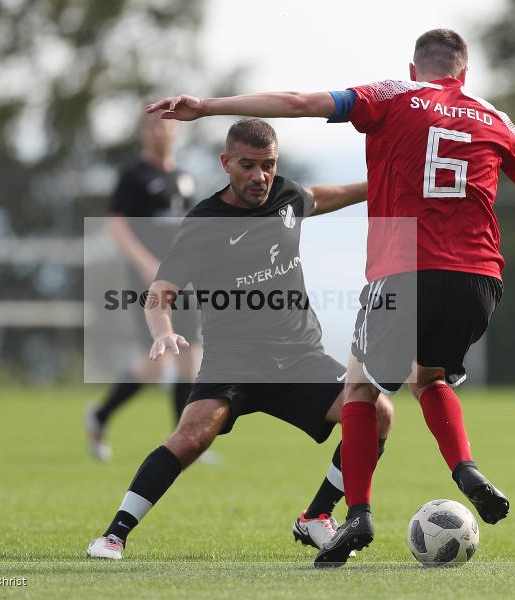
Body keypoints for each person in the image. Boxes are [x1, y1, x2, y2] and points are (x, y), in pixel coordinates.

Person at [146, 28, 515, 567]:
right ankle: (464, 466)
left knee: (361, 391)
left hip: (402, 271)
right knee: (432, 376)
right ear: (463, 75)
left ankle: (359, 512)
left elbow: (298, 103)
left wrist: (207, 106)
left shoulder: (392, 94)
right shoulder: (496, 118)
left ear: (415, 69)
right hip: (479, 278)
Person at [86, 119, 393, 560]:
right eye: (247, 166)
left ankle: (316, 515)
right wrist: (164, 332)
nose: (259, 176)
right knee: (192, 436)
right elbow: (160, 292)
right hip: (234, 359)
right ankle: (114, 534)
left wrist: (380, 183)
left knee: (376, 412)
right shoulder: (205, 222)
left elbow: (320, 196)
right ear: (225, 163)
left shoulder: (286, 195)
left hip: (299, 356)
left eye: (267, 165)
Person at [83, 111, 202, 462]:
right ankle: (100, 416)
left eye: (164, 122)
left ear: (175, 129)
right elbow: (117, 227)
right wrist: (145, 264)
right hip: (149, 281)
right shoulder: (133, 176)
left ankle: (184, 441)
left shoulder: (184, 178)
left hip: (184, 279)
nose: (158, 128)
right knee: (158, 361)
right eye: (151, 123)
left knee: (189, 357)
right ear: (142, 132)